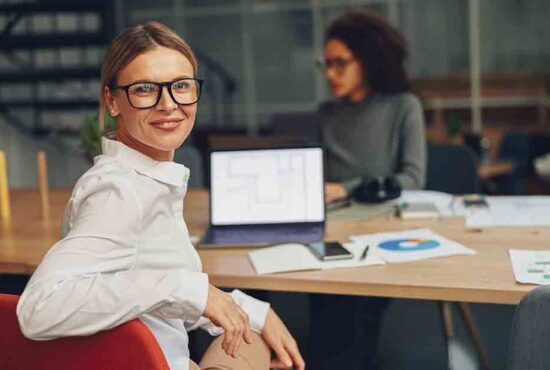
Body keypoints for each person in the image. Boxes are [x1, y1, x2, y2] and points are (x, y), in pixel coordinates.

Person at [16, 22, 304, 370]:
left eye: (181, 86)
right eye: (145, 89)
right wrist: (186, 289)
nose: (168, 105)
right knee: (255, 341)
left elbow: (145, 291)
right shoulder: (118, 191)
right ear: (112, 100)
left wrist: (254, 310)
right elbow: (38, 309)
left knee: (254, 333)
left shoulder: (145, 179)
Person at [308, 10, 426, 370]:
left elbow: (412, 178)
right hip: (329, 225)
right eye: (325, 64)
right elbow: (315, 177)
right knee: (324, 308)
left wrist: (346, 188)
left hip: (379, 225)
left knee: (354, 314)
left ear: (368, 61)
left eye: (340, 63)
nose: (330, 74)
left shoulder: (403, 106)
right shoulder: (327, 113)